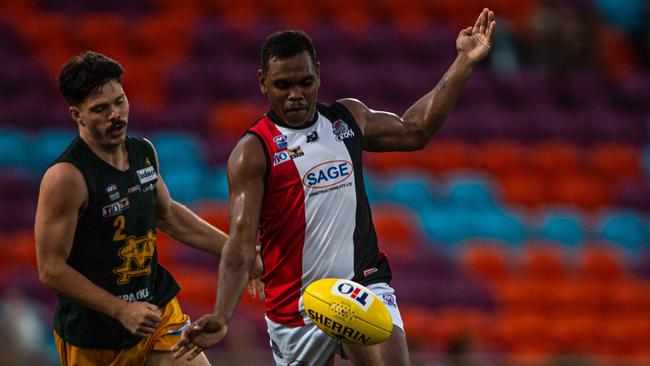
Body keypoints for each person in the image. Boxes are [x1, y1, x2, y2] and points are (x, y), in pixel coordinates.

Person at [174, 8, 496, 366]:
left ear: (319, 76)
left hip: (362, 284)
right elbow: (240, 243)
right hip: (294, 309)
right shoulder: (253, 152)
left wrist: (464, 61)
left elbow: (416, 130)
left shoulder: (347, 119)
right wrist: (221, 315)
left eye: (304, 82)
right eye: (283, 85)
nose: (295, 94)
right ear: (263, 82)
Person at [34, 51, 261, 366]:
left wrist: (238, 251)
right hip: (93, 338)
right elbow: (51, 269)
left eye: (120, 101)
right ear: (77, 115)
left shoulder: (142, 152)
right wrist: (121, 310)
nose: (116, 114)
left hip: (157, 313)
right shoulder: (66, 178)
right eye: (100, 109)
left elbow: (166, 214)